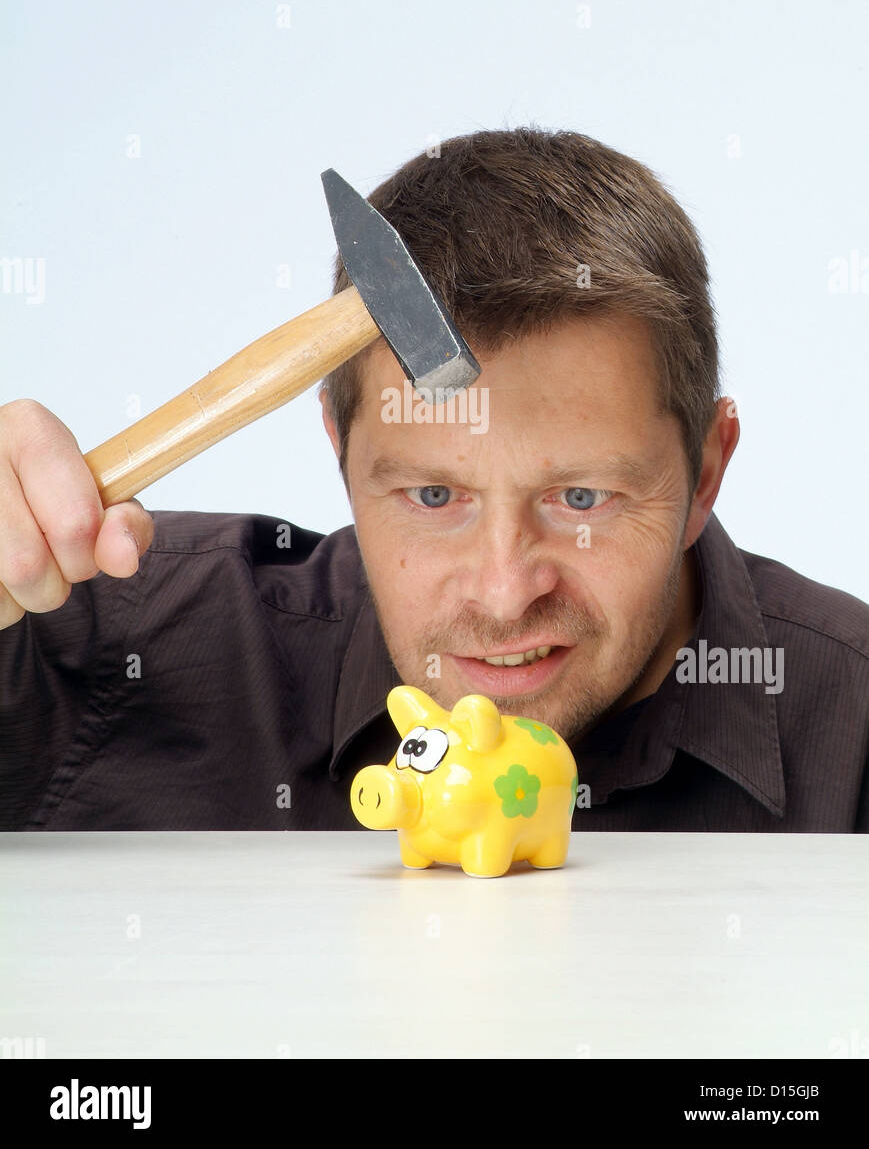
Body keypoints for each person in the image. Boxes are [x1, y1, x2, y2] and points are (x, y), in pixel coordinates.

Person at [1, 127, 867, 832]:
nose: (503, 595)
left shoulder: (853, 721)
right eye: (432, 496)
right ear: (340, 453)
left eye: (579, 499)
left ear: (705, 474)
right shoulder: (105, 641)